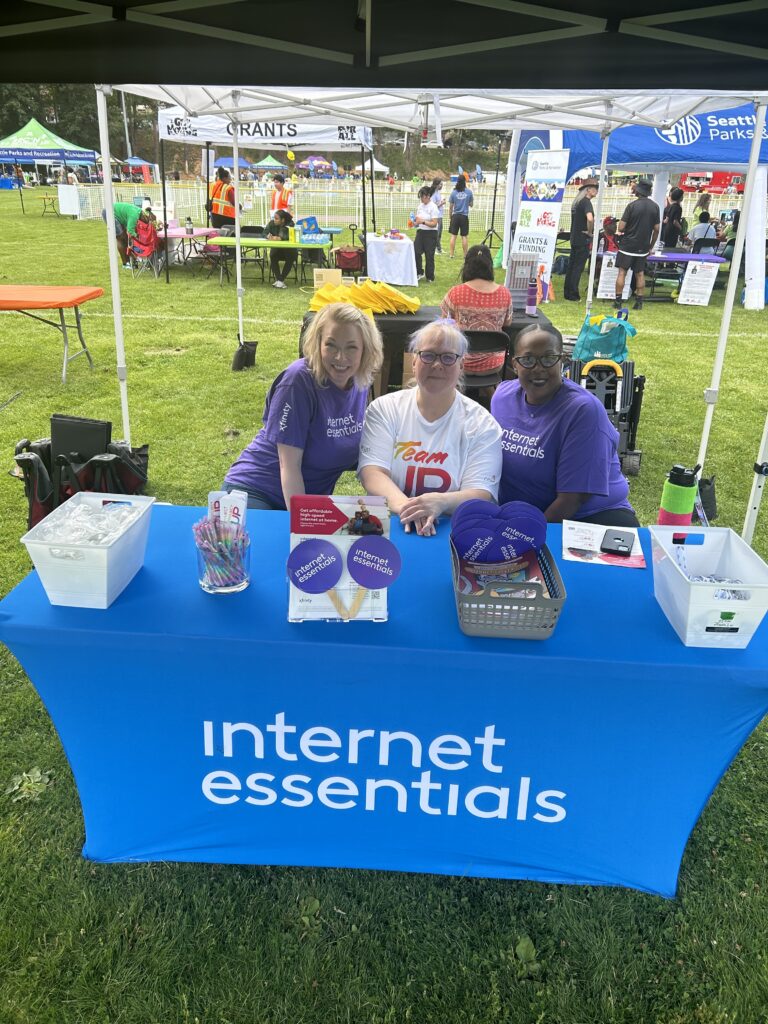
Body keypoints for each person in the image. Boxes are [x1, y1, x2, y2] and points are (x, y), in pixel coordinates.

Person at [223, 303, 383, 510]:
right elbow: (288, 466)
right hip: (257, 491)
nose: (340, 357)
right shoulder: (298, 381)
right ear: (318, 344)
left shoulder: (360, 381)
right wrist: (302, 524)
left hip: (306, 499)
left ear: (365, 349)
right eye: (331, 345)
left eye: (351, 347)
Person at [358, 319, 502, 537]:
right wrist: (410, 509)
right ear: (414, 361)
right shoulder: (384, 409)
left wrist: (441, 502)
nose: (437, 365)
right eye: (428, 355)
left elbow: (481, 493)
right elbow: (372, 473)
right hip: (393, 523)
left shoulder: (482, 424)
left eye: (448, 357)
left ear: (461, 365)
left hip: (450, 530)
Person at [490, 323, 639, 527]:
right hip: (523, 514)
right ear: (514, 364)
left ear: (563, 362)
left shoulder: (583, 411)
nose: (539, 368)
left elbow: (572, 500)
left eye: (549, 359)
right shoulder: (502, 397)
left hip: (587, 518)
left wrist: (523, 537)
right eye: (528, 360)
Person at [440, 244, 513, 377]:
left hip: (460, 362)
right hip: (494, 364)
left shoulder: (455, 293)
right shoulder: (505, 293)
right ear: (490, 266)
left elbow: (445, 323)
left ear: (467, 266)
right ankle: (492, 395)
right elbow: (507, 323)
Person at [614, 179, 660, 311]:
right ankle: (639, 302)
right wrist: (650, 245)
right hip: (643, 247)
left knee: (622, 272)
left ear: (638, 191)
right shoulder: (655, 207)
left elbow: (621, 227)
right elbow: (657, 229)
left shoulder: (632, 206)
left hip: (628, 246)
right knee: (640, 274)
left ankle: (618, 301)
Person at [563, 178, 598, 301]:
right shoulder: (586, 202)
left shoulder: (577, 202)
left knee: (572, 266)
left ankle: (567, 292)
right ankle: (573, 294)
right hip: (582, 239)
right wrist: (589, 232)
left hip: (574, 238)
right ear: (588, 190)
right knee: (578, 267)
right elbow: (590, 218)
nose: (597, 191)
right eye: (595, 188)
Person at [103, 201, 156, 268]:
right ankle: (125, 264)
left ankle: (131, 261)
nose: (146, 223)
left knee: (127, 238)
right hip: (109, 213)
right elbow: (130, 231)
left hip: (116, 213)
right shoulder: (134, 216)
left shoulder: (139, 212)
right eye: (146, 221)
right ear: (144, 217)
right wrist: (137, 236)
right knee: (122, 238)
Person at [413, 185, 440, 283]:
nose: (421, 199)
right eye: (420, 196)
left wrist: (423, 221)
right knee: (416, 252)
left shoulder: (433, 207)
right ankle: (419, 272)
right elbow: (417, 220)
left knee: (429, 255)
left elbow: (434, 223)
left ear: (428, 196)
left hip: (431, 233)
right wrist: (415, 222)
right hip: (420, 232)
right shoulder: (420, 206)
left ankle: (430, 276)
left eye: (422, 196)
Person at [265, 208, 297, 289]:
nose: (274, 220)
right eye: (274, 218)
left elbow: (283, 236)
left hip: (289, 250)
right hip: (278, 249)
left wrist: (278, 238)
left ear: (282, 220)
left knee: (291, 257)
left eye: (276, 218)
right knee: (272, 255)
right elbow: (264, 232)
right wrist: (267, 236)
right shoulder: (272, 223)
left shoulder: (290, 223)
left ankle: (280, 280)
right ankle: (280, 280)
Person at [448, 176, 474, 259]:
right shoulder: (469, 192)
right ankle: (465, 255)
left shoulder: (453, 192)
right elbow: (471, 205)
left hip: (455, 216)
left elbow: (451, 207)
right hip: (464, 216)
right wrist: (466, 202)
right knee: (464, 236)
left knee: (453, 236)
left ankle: (451, 254)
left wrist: (450, 217)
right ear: (465, 182)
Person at [429, 178, 446, 254]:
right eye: (440, 184)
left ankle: (439, 248)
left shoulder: (438, 192)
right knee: (436, 233)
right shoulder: (433, 193)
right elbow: (433, 205)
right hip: (436, 216)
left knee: (439, 233)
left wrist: (441, 201)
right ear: (436, 185)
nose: (441, 185)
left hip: (440, 215)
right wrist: (441, 203)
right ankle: (435, 248)